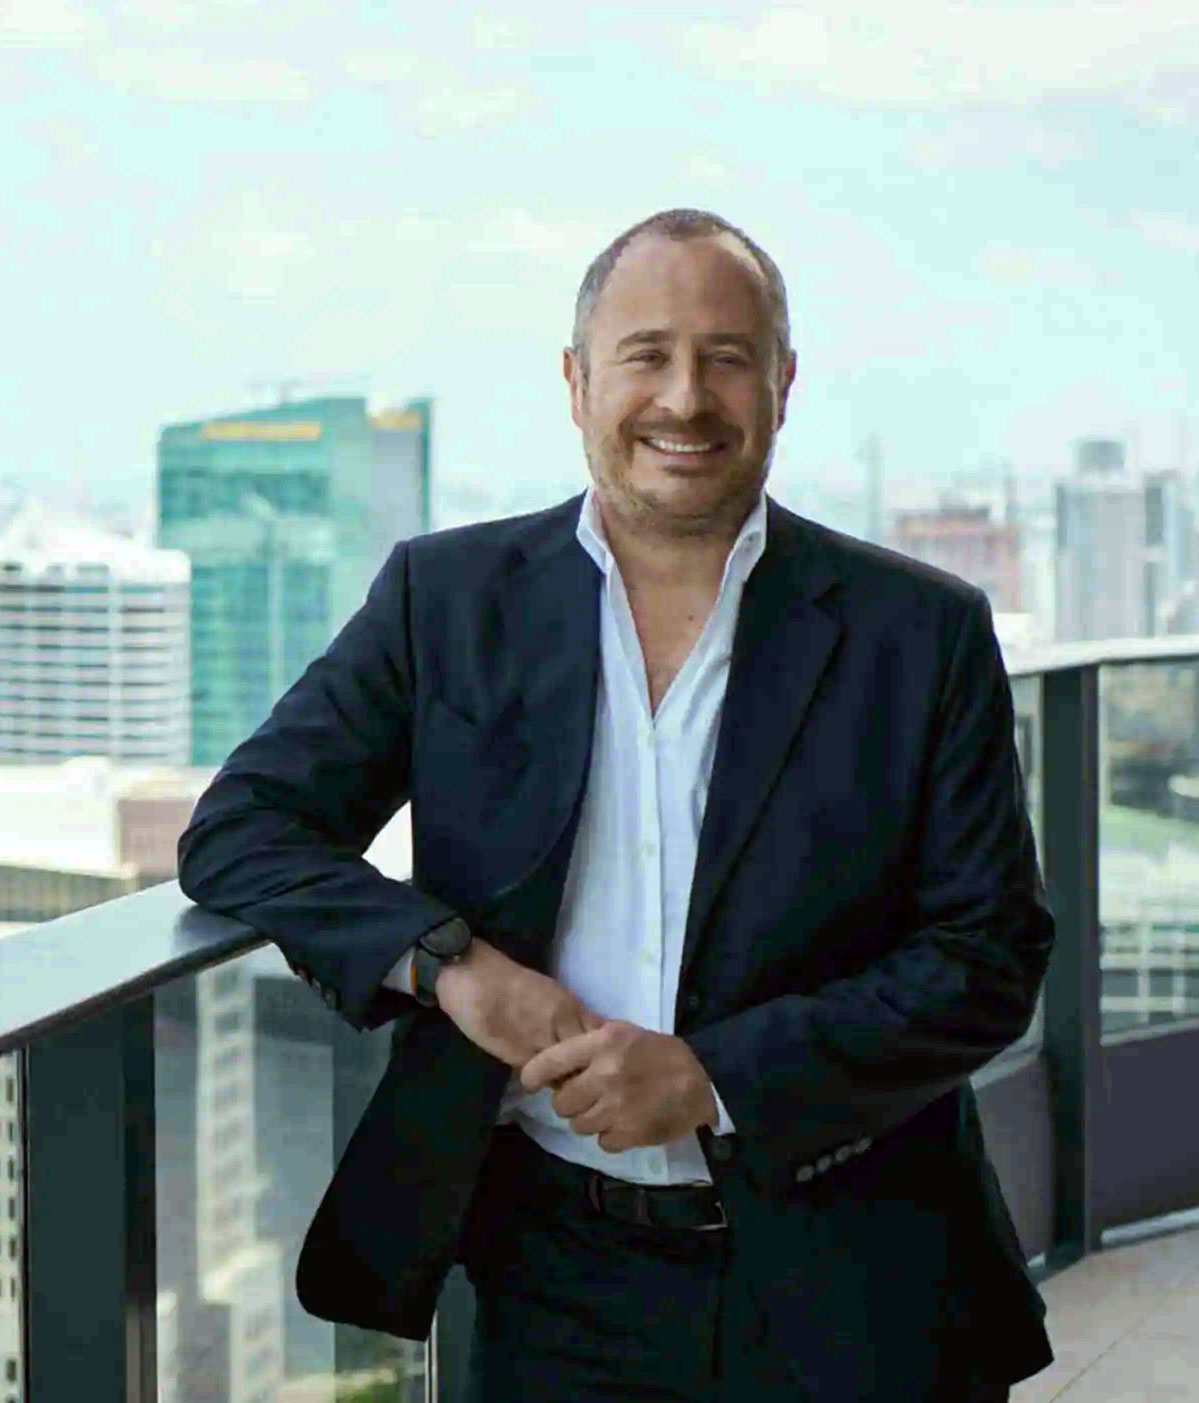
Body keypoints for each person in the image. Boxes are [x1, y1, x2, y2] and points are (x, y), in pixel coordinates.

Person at [178, 208, 1056, 1402]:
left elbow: (989, 955)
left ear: (784, 384)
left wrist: (711, 1075)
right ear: (577, 380)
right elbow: (243, 826)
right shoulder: (447, 599)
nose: (685, 398)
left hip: (855, 1274)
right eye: (647, 354)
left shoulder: (921, 631)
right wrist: (451, 966)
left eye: (726, 357)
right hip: (548, 1279)